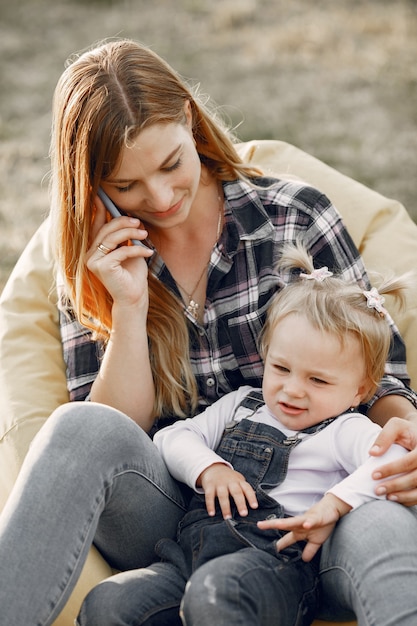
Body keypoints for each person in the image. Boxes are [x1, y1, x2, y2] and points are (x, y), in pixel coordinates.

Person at [1, 38, 417, 626]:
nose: (161, 198)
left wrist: (404, 446)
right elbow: (118, 436)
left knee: (386, 529)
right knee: (77, 427)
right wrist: (127, 306)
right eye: (127, 187)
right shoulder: (94, 266)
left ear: (191, 122)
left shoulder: (295, 218)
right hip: (182, 516)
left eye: (172, 165)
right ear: (92, 186)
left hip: (322, 514)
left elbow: (379, 379)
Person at [75, 242, 413, 626]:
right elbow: (173, 437)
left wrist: (335, 504)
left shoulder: (346, 430)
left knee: (219, 594)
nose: (292, 390)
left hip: (274, 566)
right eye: (281, 368)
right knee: (108, 604)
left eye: (317, 380)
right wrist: (210, 469)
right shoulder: (241, 404)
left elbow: (393, 460)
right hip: (188, 556)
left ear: (361, 390)